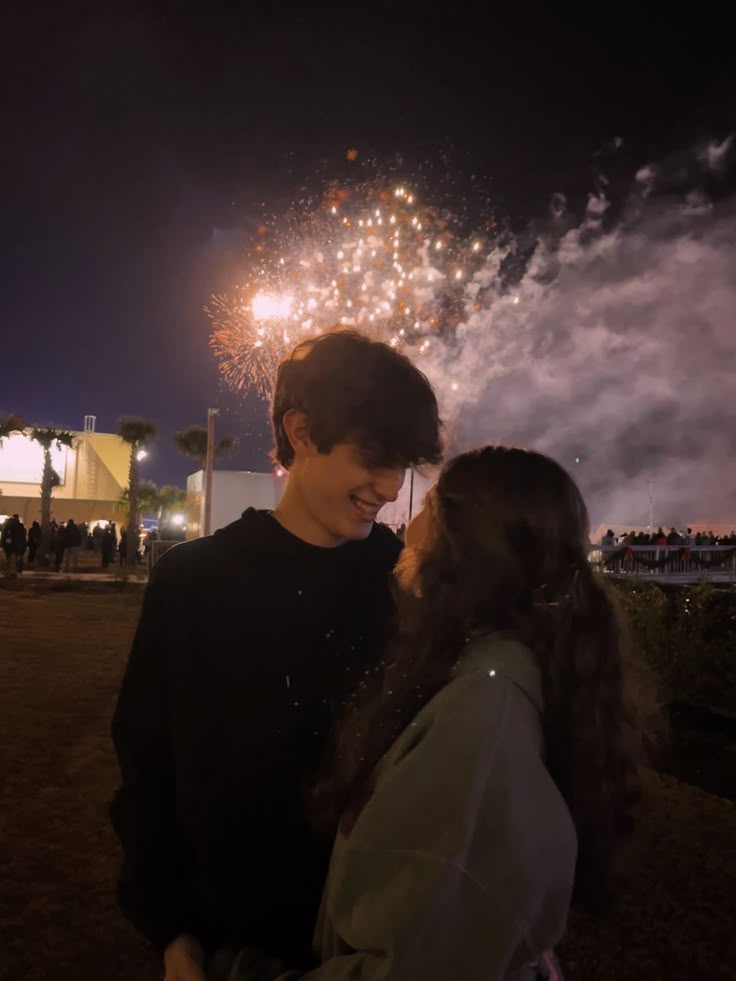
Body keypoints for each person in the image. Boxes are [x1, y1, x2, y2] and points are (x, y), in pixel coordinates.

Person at [227, 446, 641, 981]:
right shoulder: (489, 673)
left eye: (433, 507)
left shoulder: (480, 720)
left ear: (466, 547)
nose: (408, 513)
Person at [110, 330, 442, 981]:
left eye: (403, 465)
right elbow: (148, 768)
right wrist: (173, 932)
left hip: (371, 945)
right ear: (301, 431)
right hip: (226, 943)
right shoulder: (193, 582)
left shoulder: (409, 589)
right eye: (374, 457)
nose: (390, 485)